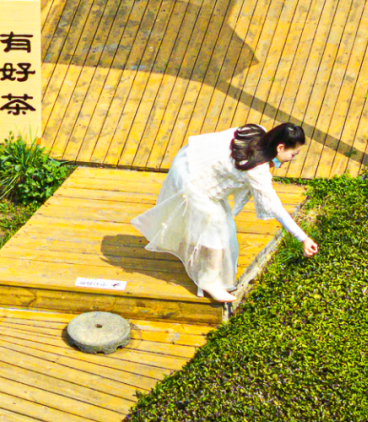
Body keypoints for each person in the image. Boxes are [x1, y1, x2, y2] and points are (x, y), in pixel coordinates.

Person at [132, 122, 318, 303]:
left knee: (223, 225)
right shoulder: (256, 170)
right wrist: (303, 238)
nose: (292, 158)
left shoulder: (256, 132)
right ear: (280, 147)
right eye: (293, 154)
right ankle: (208, 281)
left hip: (190, 160)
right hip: (195, 182)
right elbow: (276, 208)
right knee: (217, 227)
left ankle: (206, 268)